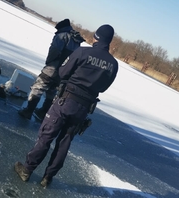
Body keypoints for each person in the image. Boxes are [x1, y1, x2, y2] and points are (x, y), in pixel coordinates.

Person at [14, 24, 118, 187]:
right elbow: (104, 87)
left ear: (96, 37)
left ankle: (27, 170)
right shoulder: (113, 64)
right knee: (64, 142)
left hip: (65, 101)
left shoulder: (83, 52)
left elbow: (62, 72)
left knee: (46, 135)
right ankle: (48, 177)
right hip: (83, 109)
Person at [18, 19, 85, 120]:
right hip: (64, 72)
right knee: (52, 90)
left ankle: (28, 111)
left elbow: (55, 50)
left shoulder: (61, 35)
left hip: (53, 68)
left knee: (38, 87)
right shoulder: (76, 39)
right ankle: (43, 112)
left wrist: (49, 62)